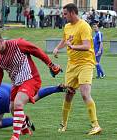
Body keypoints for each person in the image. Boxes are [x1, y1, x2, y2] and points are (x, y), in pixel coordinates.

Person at [0, 31, 62, 140]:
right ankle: (25, 130)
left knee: (18, 103)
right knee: (12, 108)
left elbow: (36, 51)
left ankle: (15, 137)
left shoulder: (18, 44)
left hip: (31, 78)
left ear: (1, 41)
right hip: (16, 83)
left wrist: (50, 64)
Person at [53, 3, 102, 135]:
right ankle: (63, 124)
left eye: (65, 14)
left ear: (72, 13)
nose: (63, 16)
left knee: (85, 94)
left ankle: (95, 126)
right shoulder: (67, 26)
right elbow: (65, 40)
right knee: (68, 94)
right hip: (72, 65)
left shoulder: (84, 26)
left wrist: (72, 47)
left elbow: (86, 46)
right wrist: (58, 47)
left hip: (85, 64)